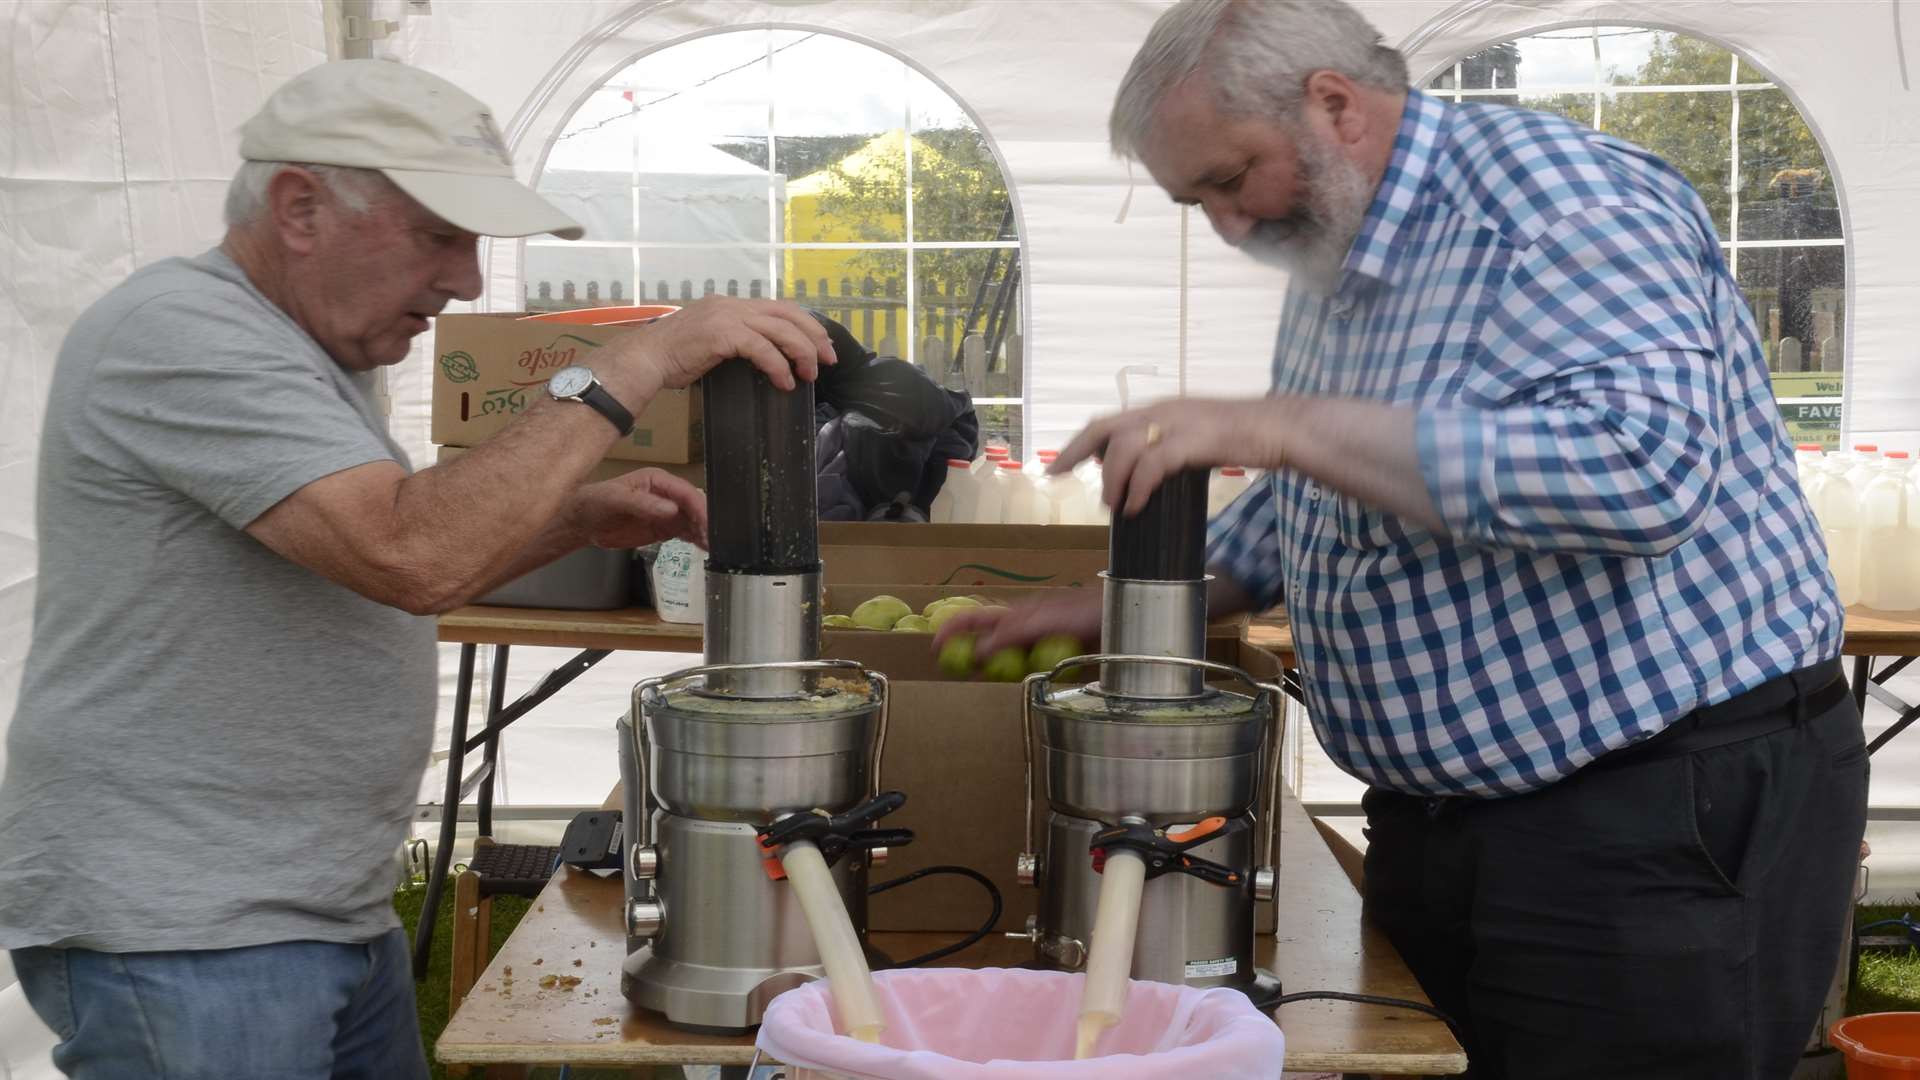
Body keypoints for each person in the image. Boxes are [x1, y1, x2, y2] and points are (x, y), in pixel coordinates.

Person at [937, 3, 1864, 1077]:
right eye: (1200, 203)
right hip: (1454, 823)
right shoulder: (1340, 250)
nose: (1229, 227)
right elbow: (1324, 502)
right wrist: (1122, 603)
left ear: (1334, 104)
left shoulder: (1562, 208)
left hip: (1652, 815)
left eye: (1233, 180)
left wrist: (1277, 423)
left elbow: (1644, 473)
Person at [0, 59, 833, 1079]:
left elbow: (363, 559)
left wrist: (573, 520)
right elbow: (411, 554)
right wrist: (633, 362)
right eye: (440, 235)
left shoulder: (310, 353)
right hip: (192, 929)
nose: (467, 279)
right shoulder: (184, 334)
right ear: (300, 207)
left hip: (305, 903)